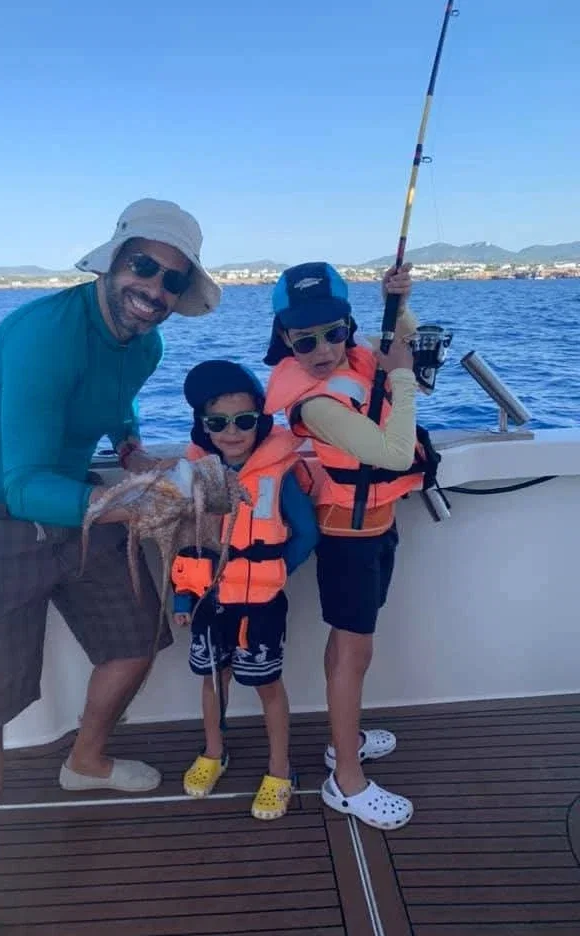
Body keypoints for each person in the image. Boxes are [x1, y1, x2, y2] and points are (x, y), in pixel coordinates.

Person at [0, 199, 221, 936]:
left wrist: (132, 451)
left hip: (73, 497)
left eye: (172, 280)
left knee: (137, 637)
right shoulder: (44, 333)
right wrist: (135, 503)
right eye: (143, 266)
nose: (154, 289)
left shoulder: (145, 346)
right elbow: (23, 488)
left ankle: (85, 760)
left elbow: (116, 399)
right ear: (113, 261)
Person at [264, 261, 430, 831]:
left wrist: (399, 303)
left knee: (352, 645)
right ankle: (347, 781)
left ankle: (344, 742)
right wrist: (400, 376)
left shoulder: (356, 360)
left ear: (349, 326)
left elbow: (409, 350)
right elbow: (394, 454)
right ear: (285, 339)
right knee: (354, 653)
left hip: (376, 526)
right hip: (347, 539)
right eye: (304, 340)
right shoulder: (315, 403)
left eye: (333, 332)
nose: (322, 349)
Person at [170, 360, 319, 820]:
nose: (231, 432)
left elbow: (306, 533)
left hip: (260, 605)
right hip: (208, 602)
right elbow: (185, 540)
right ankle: (214, 752)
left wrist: (275, 569)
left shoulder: (279, 473)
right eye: (217, 423)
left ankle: (280, 769)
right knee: (213, 680)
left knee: (267, 685)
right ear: (203, 426)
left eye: (244, 421)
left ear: (261, 421)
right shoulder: (195, 473)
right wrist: (182, 597)